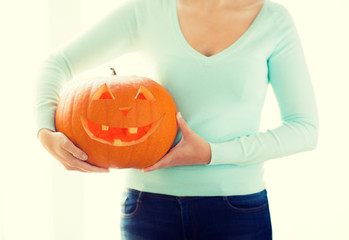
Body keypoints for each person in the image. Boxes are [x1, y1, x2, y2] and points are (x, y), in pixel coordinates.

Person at [35, 0, 319, 239]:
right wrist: (45, 131)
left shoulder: (273, 20)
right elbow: (57, 63)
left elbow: (304, 128)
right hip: (147, 208)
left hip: (238, 211)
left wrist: (212, 153)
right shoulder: (147, 10)